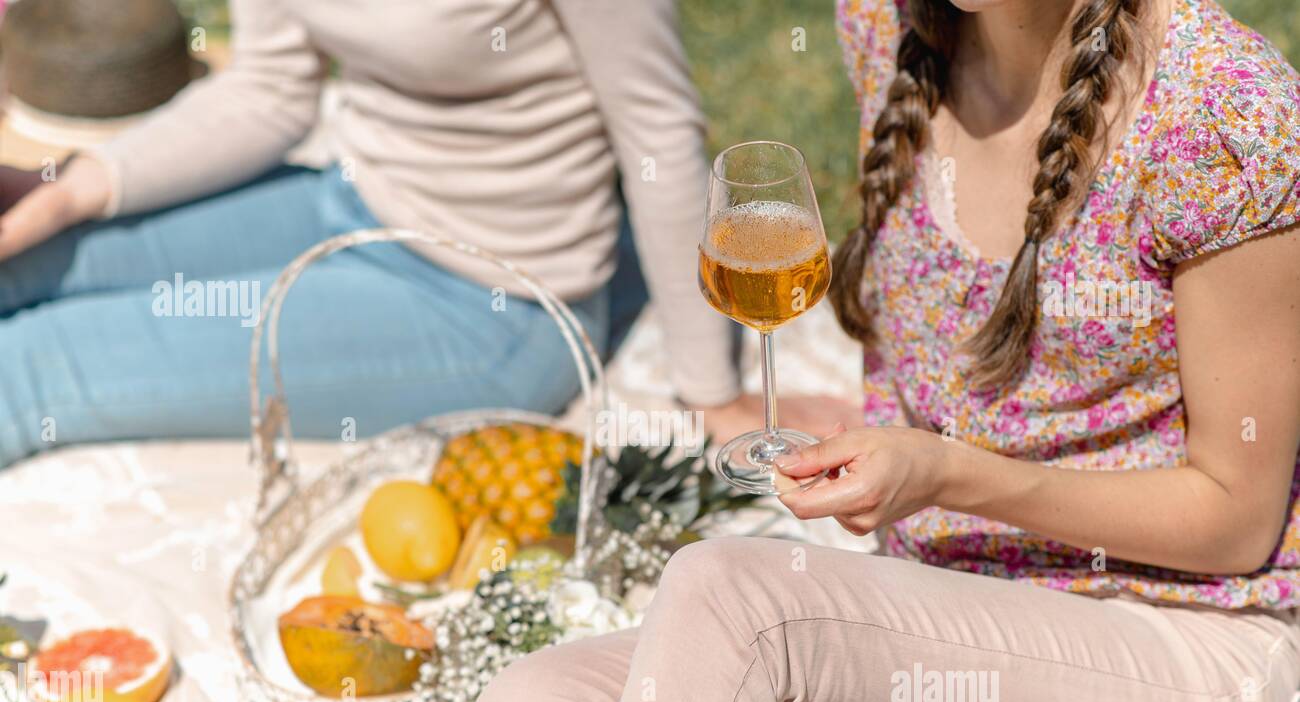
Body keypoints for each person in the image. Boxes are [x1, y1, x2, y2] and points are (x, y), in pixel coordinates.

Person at [465, 0, 1300, 702]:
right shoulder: (888, 23)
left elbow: (1235, 520)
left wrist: (948, 473)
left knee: (735, 595)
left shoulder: (1221, 110)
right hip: (948, 637)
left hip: (1171, 656)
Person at [0, 0, 852, 468]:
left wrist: (715, 393)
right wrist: (67, 194)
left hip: (494, 307)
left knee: (25, 368)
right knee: (24, 260)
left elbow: (658, 135)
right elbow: (268, 88)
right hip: (352, 196)